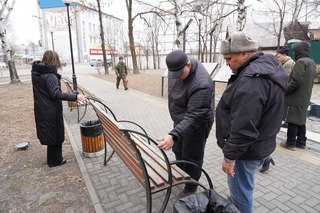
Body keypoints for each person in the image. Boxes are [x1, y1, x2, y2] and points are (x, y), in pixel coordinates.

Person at [216, 31, 288, 213]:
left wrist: (229, 158)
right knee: (243, 187)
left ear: (244, 53)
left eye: (229, 58)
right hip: (260, 142)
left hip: (246, 151)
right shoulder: (268, 67)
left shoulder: (251, 81)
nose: (226, 63)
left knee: (241, 193)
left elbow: (243, 128)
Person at [157, 50, 215, 197]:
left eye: (180, 75)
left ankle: (191, 185)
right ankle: (182, 172)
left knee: (192, 155)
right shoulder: (176, 70)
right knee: (179, 150)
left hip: (198, 123)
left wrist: (174, 135)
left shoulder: (202, 83)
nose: (177, 79)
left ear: (188, 65)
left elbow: (195, 116)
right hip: (181, 120)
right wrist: (175, 134)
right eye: (174, 76)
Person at [31, 50, 86, 167]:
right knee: (55, 134)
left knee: (51, 134)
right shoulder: (50, 75)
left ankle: (53, 159)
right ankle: (55, 161)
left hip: (42, 108)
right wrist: (76, 97)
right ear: (55, 60)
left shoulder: (37, 73)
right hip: (50, 110)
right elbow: (55, 94)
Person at [260, 46, 295, 173]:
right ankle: (265, 158)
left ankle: (265, 158)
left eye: (279, 55)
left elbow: (288, 81)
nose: (277, 57)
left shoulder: (288, 65)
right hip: (271, 105)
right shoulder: (276, 68)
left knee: (260, 135)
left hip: (272, 105)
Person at [280, 41, 316, 151]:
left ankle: (290, 143)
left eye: (295, 50)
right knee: (301, 119)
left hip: (295, 96)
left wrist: (284, 91)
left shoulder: (300, 62)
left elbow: (296, 81)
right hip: (305, 96)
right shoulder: (311, 62)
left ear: (299, 51)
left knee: (292, 119)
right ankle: (301, 142)